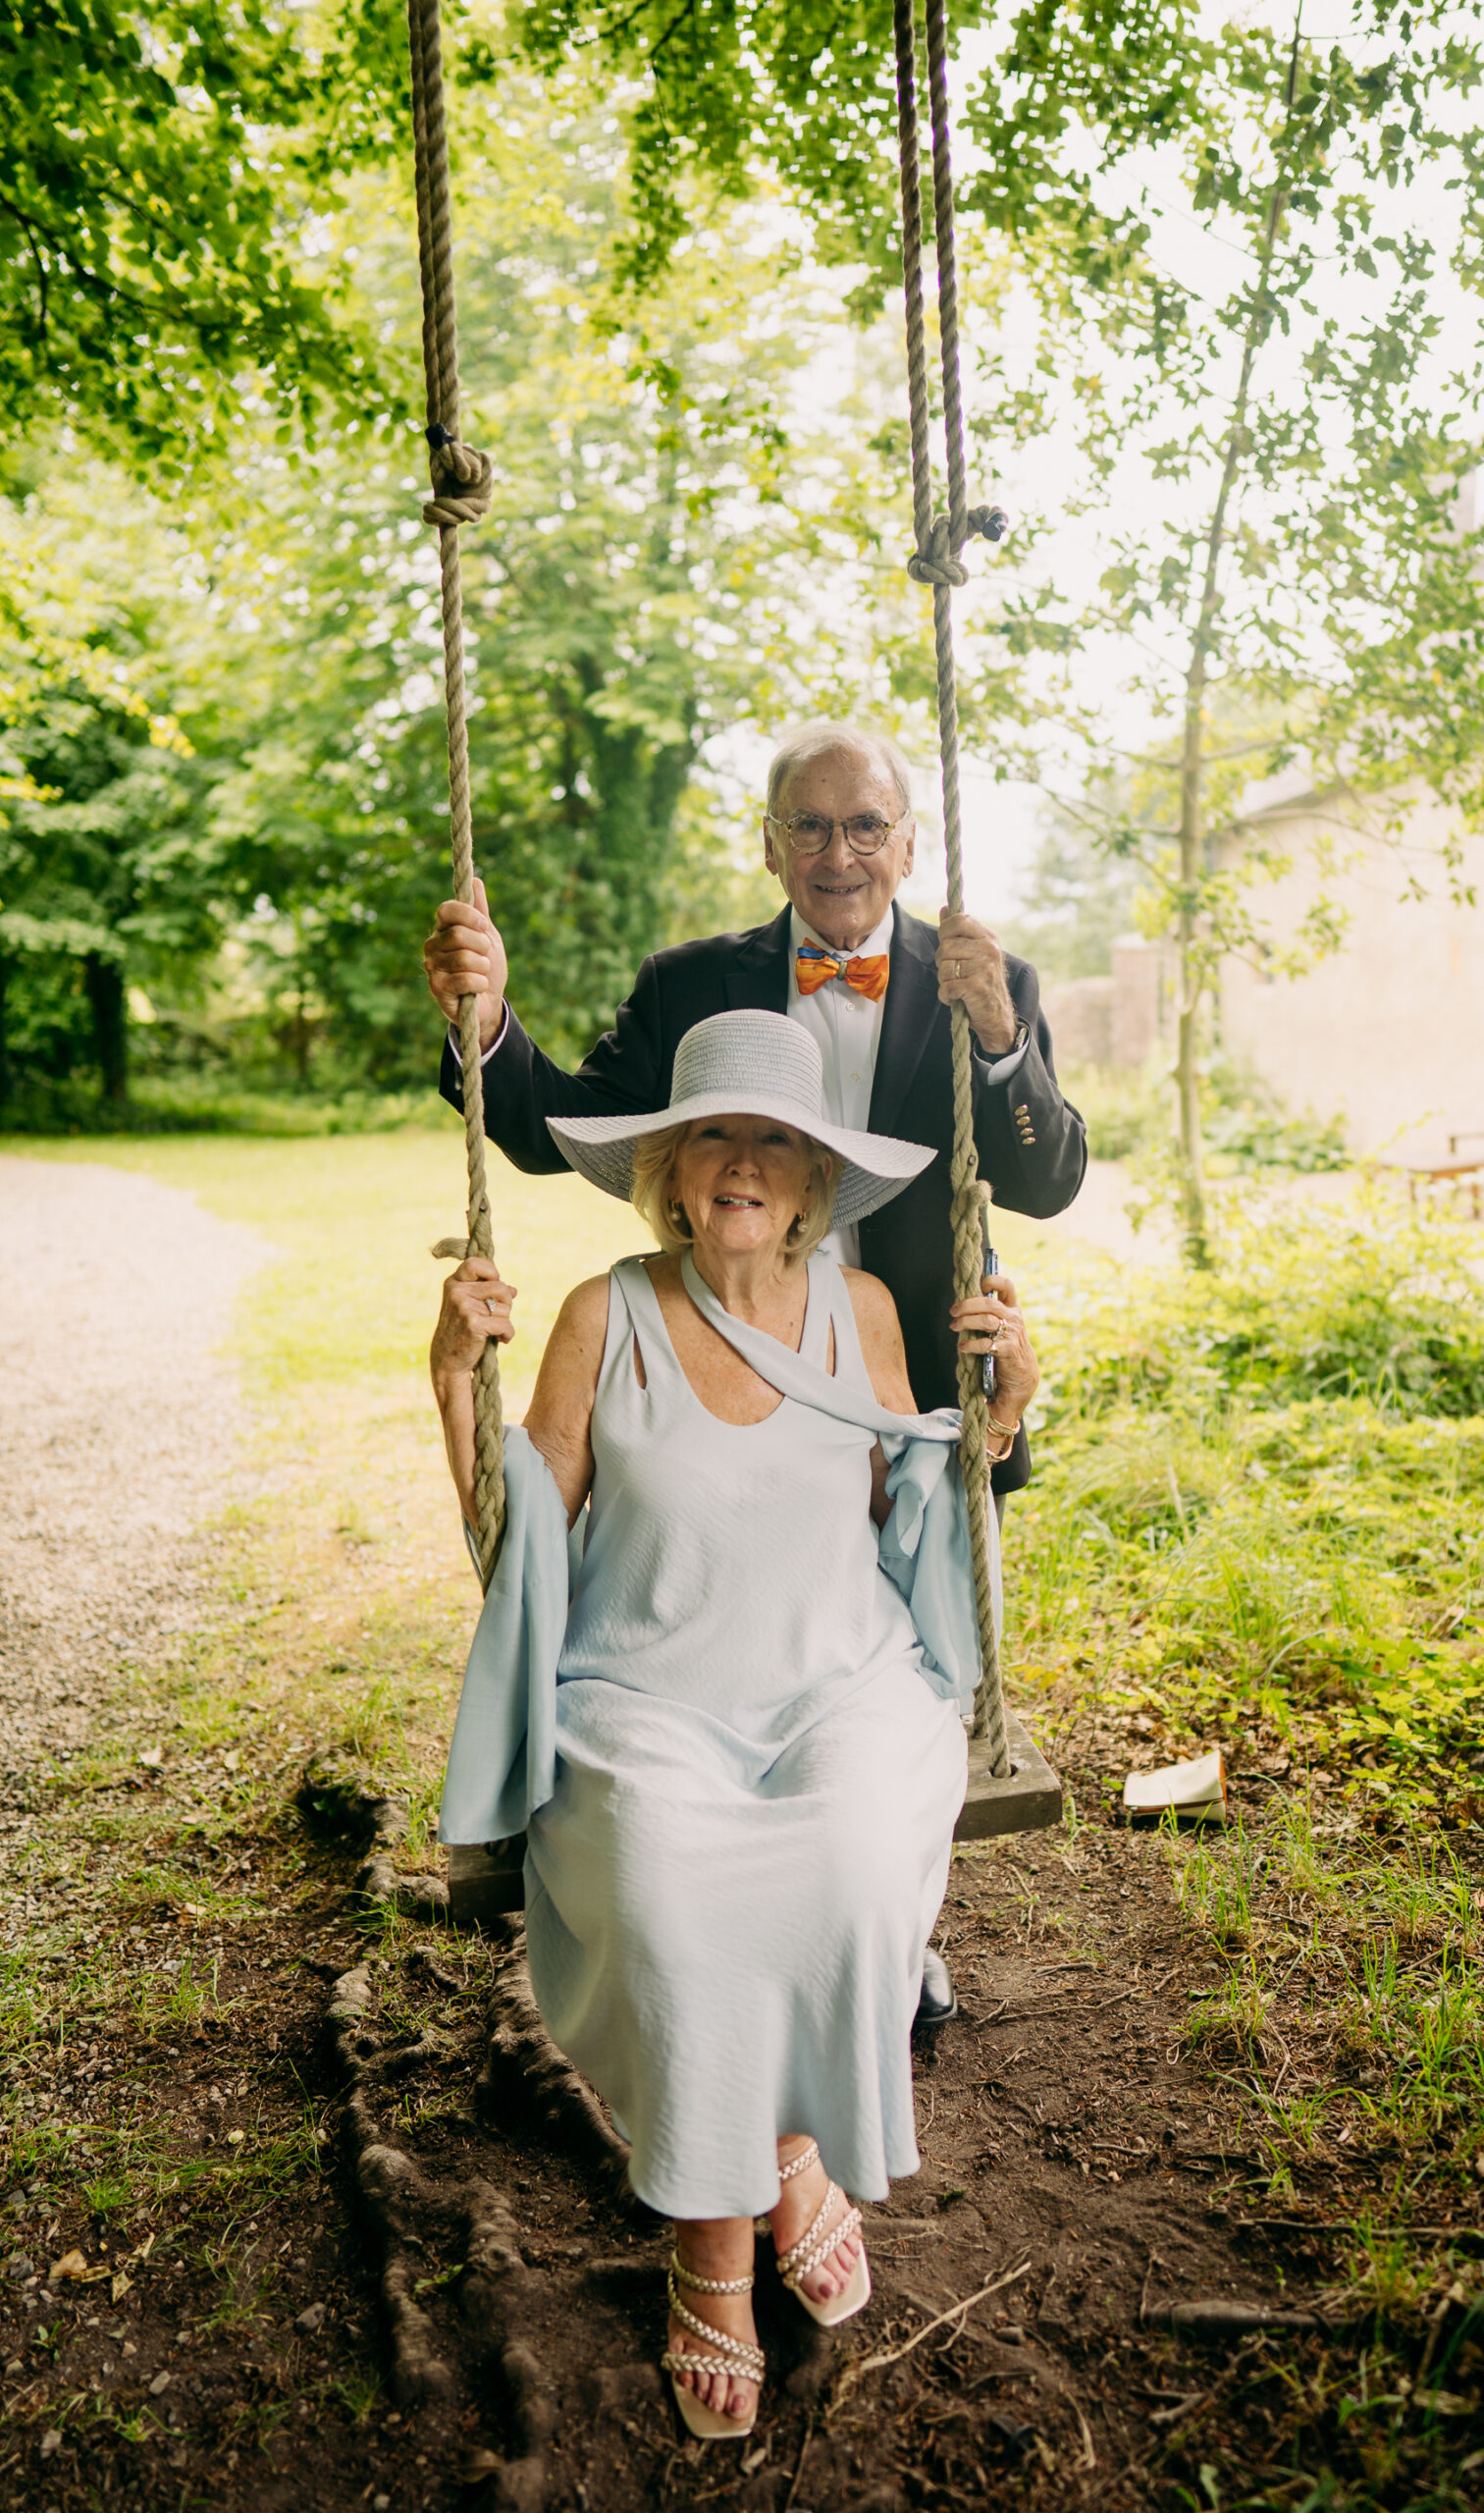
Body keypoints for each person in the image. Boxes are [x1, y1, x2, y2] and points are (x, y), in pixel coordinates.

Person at [429, 1010, 1040, 2441]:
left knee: (842, 1865)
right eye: (714, 1133)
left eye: (775, 1137)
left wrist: (997, 1420)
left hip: (840, 1679)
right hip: (644, 1699)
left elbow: (912, 1515)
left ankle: (737, 2188)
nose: (743, 1162)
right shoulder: (603, 1311)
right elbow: (516, 1543)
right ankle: (748, 2196)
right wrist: (452, 1380)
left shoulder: (863, 1313)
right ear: (670, 1165)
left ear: (816, 1175)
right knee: (661, 1891)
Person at [422, 718, 1085, 1498]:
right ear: (770, 847)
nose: (838, 855)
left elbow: (1046, 1187)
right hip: (720, 1380)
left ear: (907, 846)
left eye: (866, 826)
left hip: (920, 1383)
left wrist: (1001, 1036)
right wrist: (490, 1020)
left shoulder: (990, 987)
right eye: (808, 825)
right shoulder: (688, 984)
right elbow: (557, 1130)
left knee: (932, 1616)